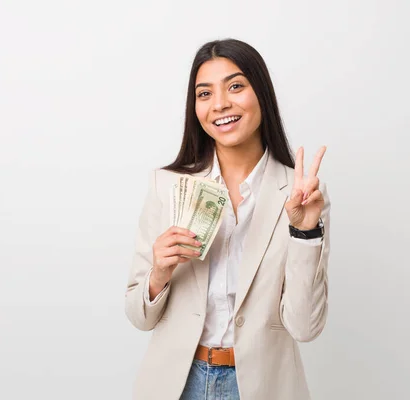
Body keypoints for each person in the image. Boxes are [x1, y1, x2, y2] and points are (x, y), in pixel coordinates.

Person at [124, 38, 331, 400]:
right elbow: (139, 317)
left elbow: (305, 326)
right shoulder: (167, 186)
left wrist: (305, 231)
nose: (220, 104)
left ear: (261, 94)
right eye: (204, 94)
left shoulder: (301, 194)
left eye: (235, 86)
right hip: (177, 384)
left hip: (263, 386)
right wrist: (159, 273)